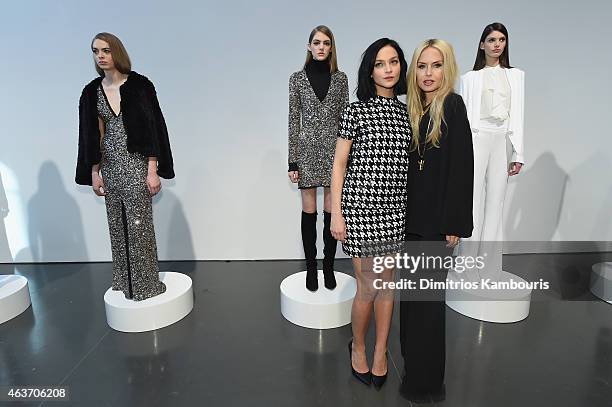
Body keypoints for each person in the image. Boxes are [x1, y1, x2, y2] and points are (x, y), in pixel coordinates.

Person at [330, 38, 410, 390]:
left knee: (388, 286)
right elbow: (339, 165)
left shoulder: (409, 113)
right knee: (369, 286)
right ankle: (358, 346)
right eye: (380, 63)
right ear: (370, 70)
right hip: (361, 210)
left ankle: (380, 351)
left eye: (393, 62)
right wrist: (336, 214)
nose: (388, 69)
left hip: (396, 211)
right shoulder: (355, 111)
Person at [400, 39, 474, 401]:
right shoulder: (413, 110)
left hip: (437, 225)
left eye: (436, 66)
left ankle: (428, 385)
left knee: (428, 306)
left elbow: (463, 168)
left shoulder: (453, 106)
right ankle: (412, 373)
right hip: (409, 223)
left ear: (448, 69)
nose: (429, 74)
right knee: (412, 303)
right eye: (422, 66)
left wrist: (454, 223)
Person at [75, 32, 174, 301]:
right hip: (110, 164)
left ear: (117, 52)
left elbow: (155, 129)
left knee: (139, 225)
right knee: (117, 225)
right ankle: (124, 281)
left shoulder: (140, 86)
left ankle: (145, 285)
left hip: (137, 163)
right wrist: (94, 173)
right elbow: (91, 136)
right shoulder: (91, 91)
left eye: (106, 50)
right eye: (96, 51)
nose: (101, 56)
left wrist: (152, 169)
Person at [458, 22, 525, 278]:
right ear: (481, 44)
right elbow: (464, 119)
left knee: (496, 203)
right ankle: (467, 264)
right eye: (492, 39)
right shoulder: (470, 78)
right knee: (471, 203)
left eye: (501, 39)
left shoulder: (516, 76)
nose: (497, 44)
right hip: (477, 140)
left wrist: (519, 153)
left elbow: (518, 114)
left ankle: (488, 266)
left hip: (502, 140)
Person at [288, 25, 349, 291]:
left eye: (326, 43)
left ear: (331, 47)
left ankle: (328, 267)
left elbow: (347, 119)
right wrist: (293, 160)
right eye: (317, 42)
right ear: (309, 46)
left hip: (334, 151)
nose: (321, 47)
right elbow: (293, 120)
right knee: (309, 210)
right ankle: (311, 267)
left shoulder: (341, 78)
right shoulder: (297, 79)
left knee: (331, 210)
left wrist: (350, 156)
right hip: (307, 151)